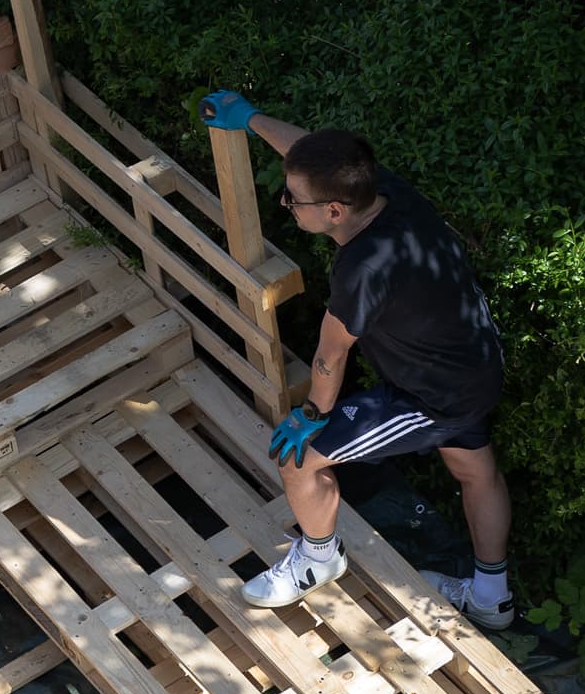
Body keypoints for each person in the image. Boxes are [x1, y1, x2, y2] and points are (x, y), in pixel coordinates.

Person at [199, 95, 515, 630]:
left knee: (298, 460)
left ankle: (319, 559)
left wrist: (314, 417)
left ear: (334, 212)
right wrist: (251, 119)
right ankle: (493, 599)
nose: (286, 205)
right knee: (474, 469)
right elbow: (311, 155)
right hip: (478, 365)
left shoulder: (365, 267)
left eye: (292, 201)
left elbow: (331, 352)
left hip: (431, 397)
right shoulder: (386, 192)